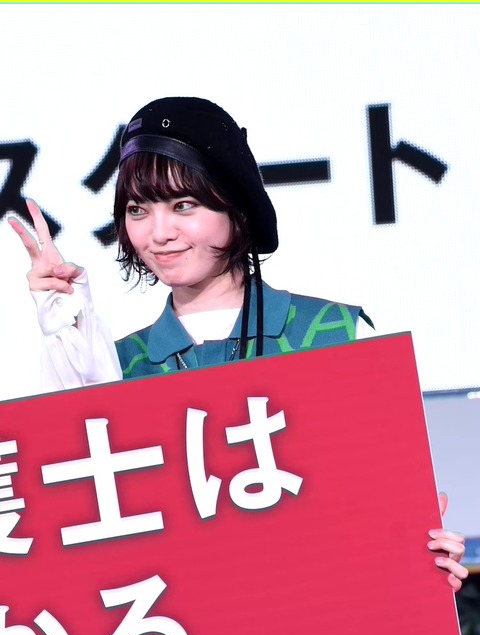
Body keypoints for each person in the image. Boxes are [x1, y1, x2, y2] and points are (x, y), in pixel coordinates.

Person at [8, 96, 468, 591]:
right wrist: (67, 336)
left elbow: (387, 508)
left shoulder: (338, 335)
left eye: (184, 205)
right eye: (138, 210)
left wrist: (426, 557)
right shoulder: (117, 366)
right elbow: (75, 534)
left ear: (236, 205)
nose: (159, 233)